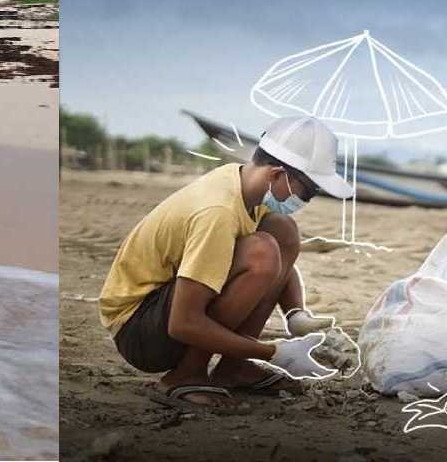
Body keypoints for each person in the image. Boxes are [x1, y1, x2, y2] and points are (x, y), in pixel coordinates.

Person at [98, 116, 353, 410]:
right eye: (308, 191)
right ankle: (183, 375)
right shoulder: (217, 212)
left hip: (162, 313)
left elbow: (282, 263)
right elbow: (183, 323)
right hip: (139, 329)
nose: (306, 200)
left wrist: (295, 313)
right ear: (277, 175)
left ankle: (234, 368)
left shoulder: (243, 184)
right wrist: (273, 352)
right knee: (262, 251)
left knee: (282, 230)